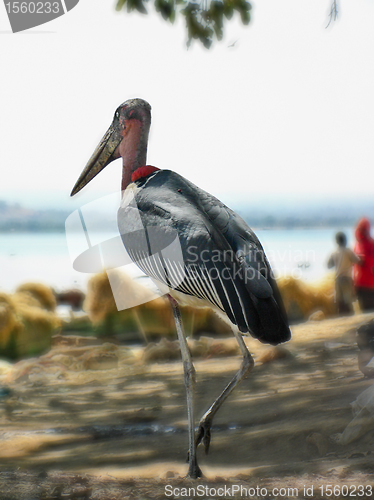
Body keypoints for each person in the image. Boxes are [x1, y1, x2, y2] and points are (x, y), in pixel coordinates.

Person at [328, 231, 360, 315]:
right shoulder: (348, 251)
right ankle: (350, 316)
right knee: (349, 300)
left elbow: (328, 265)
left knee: (339, 300)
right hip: (346, 278)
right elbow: (358, 261)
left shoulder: (334, 253)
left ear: (337, 241)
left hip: (337, 279)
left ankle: (341, 316)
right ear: (345, 240)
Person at [353, 218, 374, 312]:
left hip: (369, 285)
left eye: (363, 229)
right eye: (360, 228)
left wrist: (364, 260)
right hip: (360, 284)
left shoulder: (371, 244)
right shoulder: (357, 245)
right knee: (363, 312)